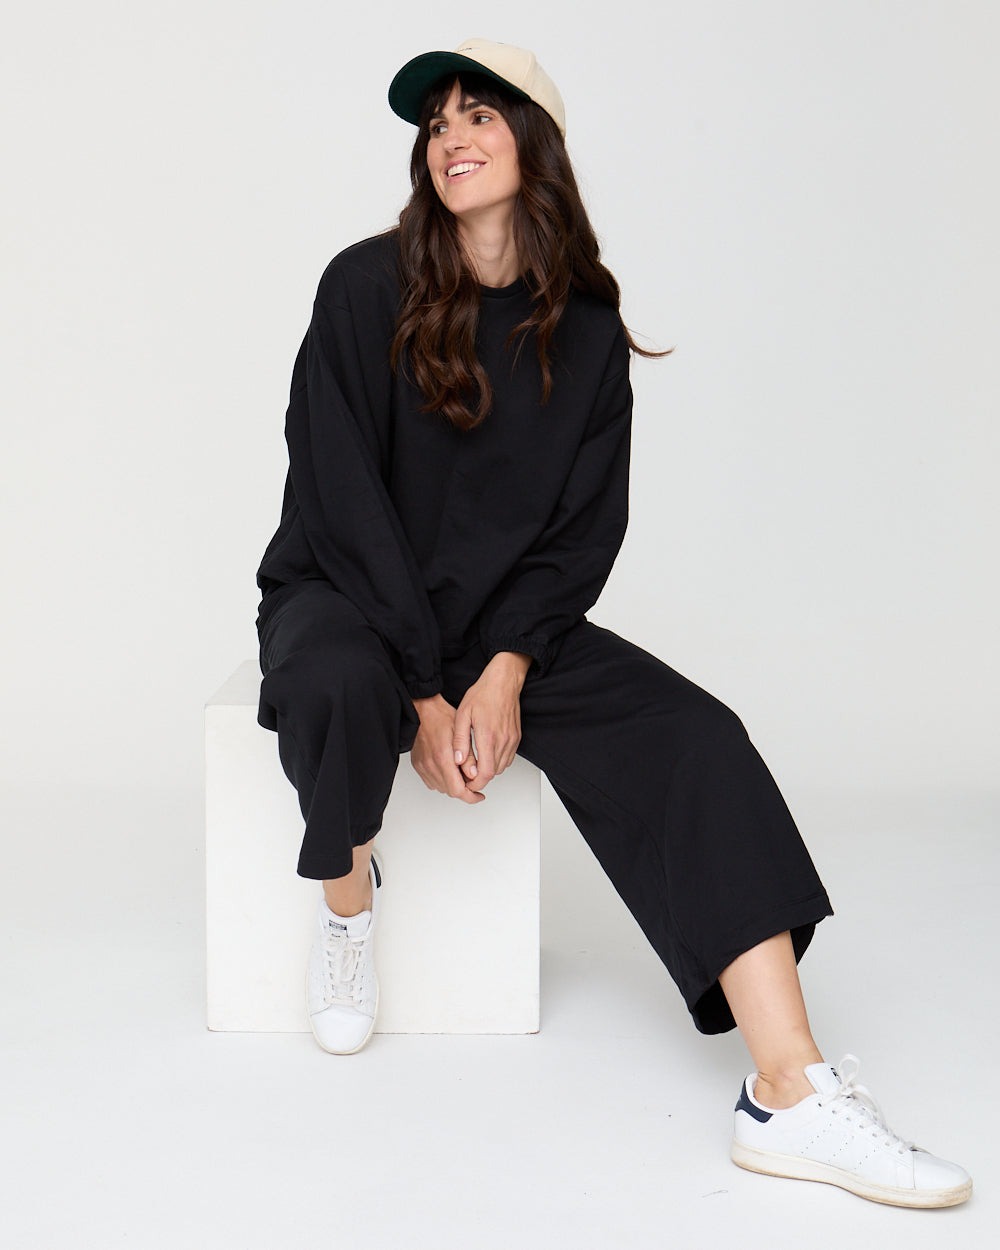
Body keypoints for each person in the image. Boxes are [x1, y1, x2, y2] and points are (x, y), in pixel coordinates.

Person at [253, 38, 971, 1208]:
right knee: (334, 688)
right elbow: (341, 495)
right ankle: (347, 902)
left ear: (533, 142)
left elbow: (582, 527)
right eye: (436, 124)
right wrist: (425, 689)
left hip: (501, 619)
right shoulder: (362, 285)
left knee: (698, 740)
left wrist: (507, 664)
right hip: (348, 590)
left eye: (479, 115)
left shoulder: (584, 322)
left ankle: (788, 1091)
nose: (451, 139)